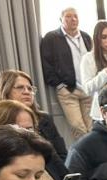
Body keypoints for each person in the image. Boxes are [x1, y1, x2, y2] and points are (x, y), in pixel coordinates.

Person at [40, 7, 94, 139]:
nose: (73, 19)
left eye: (75, 16)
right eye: (69, 16)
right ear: (61, 19)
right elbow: (46, 64)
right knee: (78, 127)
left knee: (93, 127)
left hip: (88, 89)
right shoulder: (51, 37)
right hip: (68, 90)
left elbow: (93, 60)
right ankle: (85, 158)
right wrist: (59, 85)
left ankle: (95, 157)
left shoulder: (86, 36)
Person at [0, 69, 67, 159]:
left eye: (30, 88)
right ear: (5, 91)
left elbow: (62, 155)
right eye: (20, 88)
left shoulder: (45, 119)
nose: (27, 92)